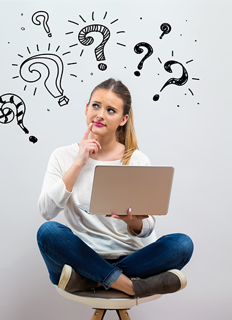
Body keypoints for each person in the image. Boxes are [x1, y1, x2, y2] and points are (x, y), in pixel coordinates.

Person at [36, 78, 194, 298]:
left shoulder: (137, 159)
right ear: (86, 108)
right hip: (81, 256)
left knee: (182, 244)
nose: (100, 114)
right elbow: (46, 212)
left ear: (123, 119)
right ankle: (131, 286)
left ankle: (93, 281)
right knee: (48, 233)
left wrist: (134, 222)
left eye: (111, 110)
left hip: (130, 258)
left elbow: (147, 227)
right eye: (96, 106)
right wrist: (79, 163)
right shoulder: (63, 156)